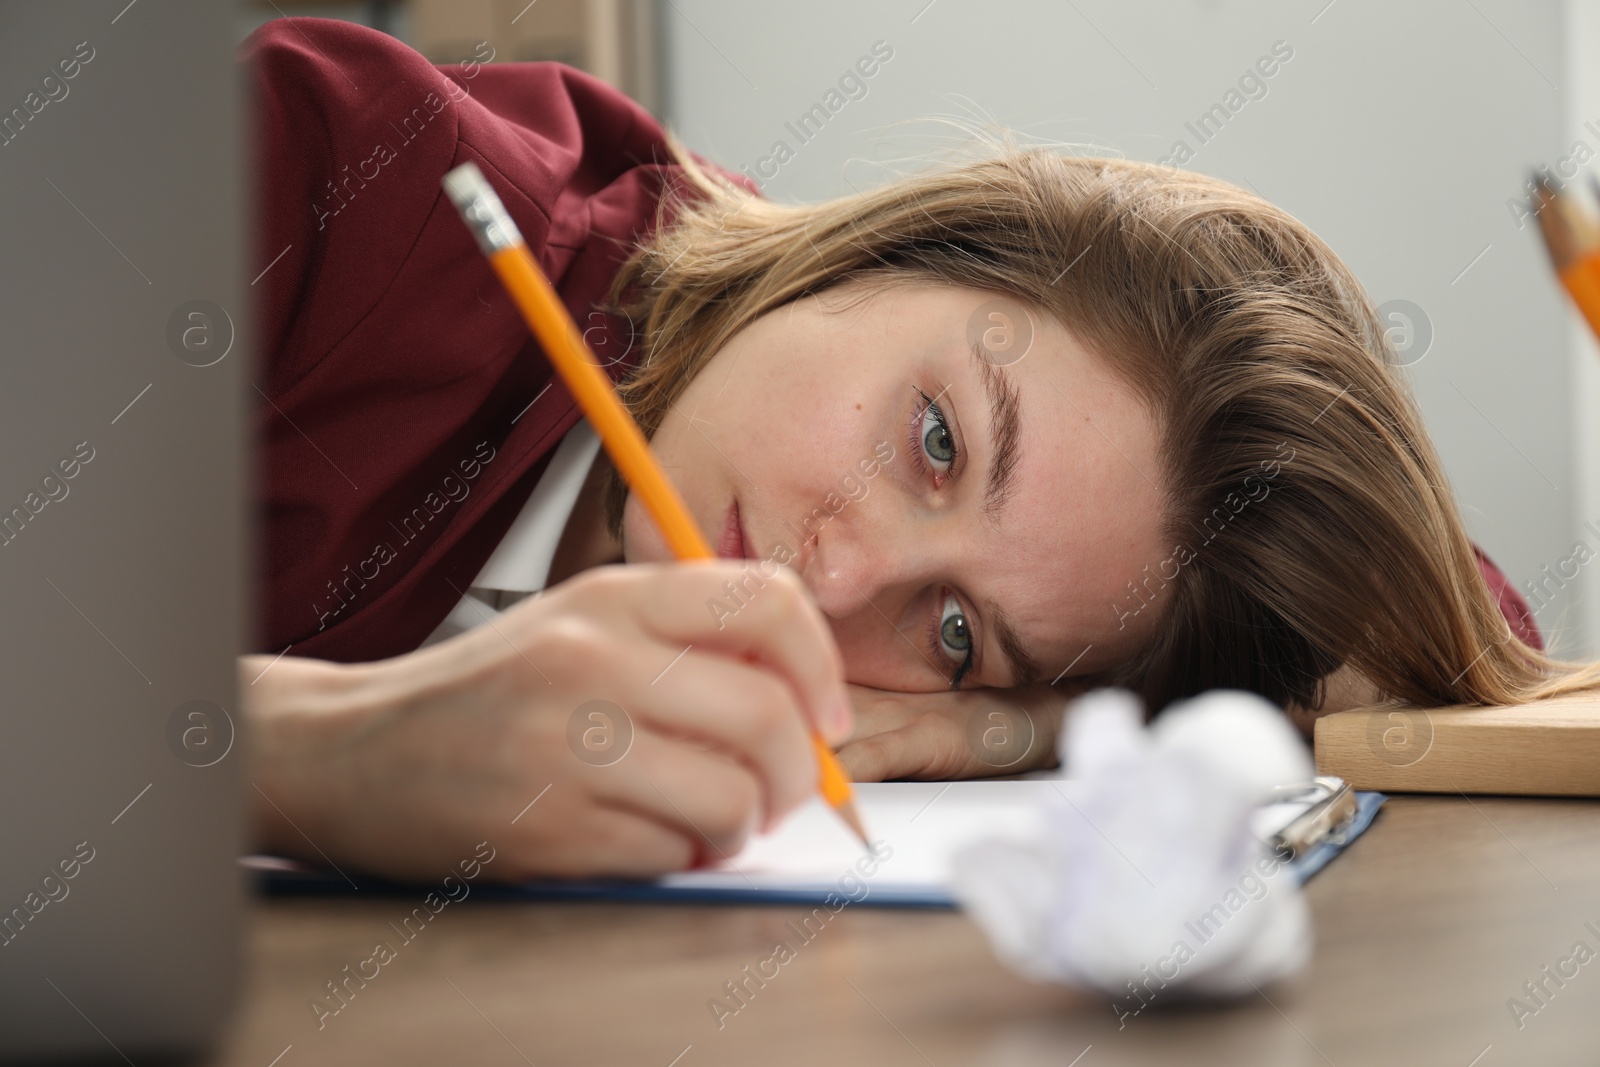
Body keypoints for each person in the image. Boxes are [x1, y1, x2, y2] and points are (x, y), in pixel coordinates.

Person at [240, 19, 1572, 885]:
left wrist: (1033, 728)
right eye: (936, 442)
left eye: (953, 634)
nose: (832, 584)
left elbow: (1438, 634)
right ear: (893, 247)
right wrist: (320, 757)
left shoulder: (1027, 627)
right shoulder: (339, 172)